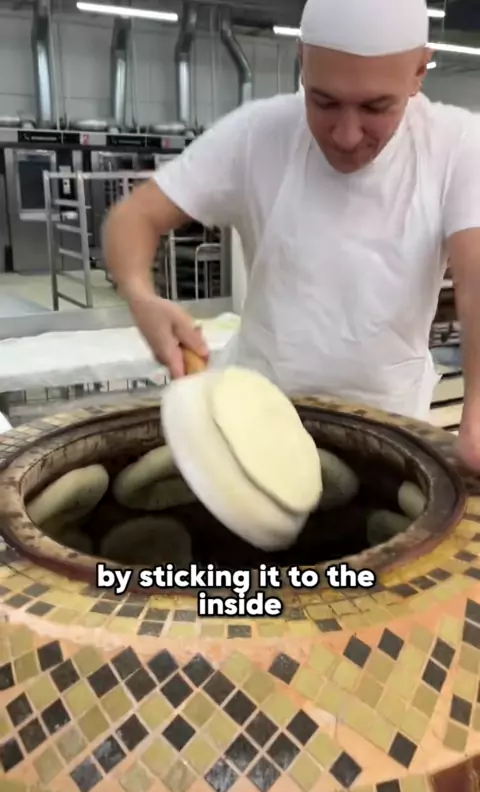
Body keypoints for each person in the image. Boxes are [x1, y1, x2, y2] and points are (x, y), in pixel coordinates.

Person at [103, 0, 480, 474]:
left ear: (419, 70)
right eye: (323, 101)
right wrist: (140, 294)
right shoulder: (258, 133)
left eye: (375, 107)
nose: (346, 135)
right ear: (302, 59)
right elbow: (134, 216)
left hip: (387, 425)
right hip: (253, 416)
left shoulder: (457, 146)